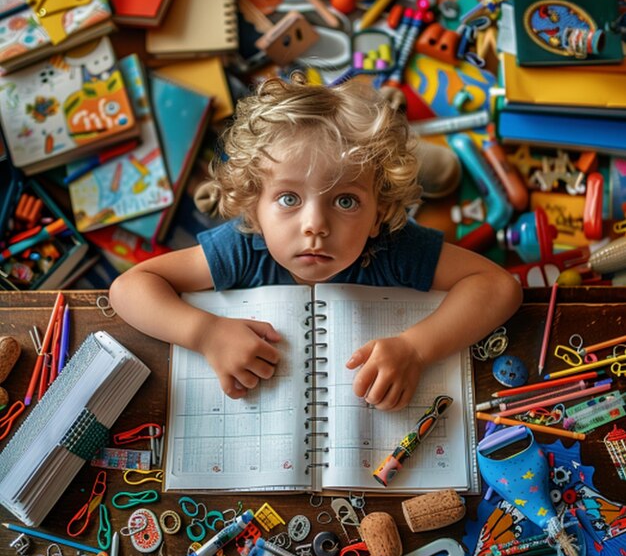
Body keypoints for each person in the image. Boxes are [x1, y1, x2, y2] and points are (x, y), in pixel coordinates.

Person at [110, 74, 522, 411]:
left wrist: (416, 350)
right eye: (288, 199)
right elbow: (129, 289)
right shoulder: (243, 246)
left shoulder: (391, 245)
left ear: (378, 214)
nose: (315, 226)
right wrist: (205, 334)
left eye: (345, 201)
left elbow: (499, 287)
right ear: (254, 209)